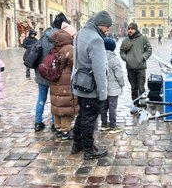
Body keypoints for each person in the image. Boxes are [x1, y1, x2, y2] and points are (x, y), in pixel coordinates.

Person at [71, 10, 112, 159]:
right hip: (91, 86)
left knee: (82, 115)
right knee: (89, 118)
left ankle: (77, 144)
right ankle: (89, 149)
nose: (108, 30)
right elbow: (99, 69)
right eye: (108, 27)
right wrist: (103, 93)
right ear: (102, 25)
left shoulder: (81, 33)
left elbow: (76, 61)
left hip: (80, 83)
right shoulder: (96, 39)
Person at [34, 12, 69, 132]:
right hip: (54, 73)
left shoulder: (44, 35)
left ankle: (38, 122)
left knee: (41, 98)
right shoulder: (60, 37)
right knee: (56, 99)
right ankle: (55, 123)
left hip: (41, 71)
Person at [120, 22, 152, 107]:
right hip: (130, 68)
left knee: (141, 87)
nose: (130, 30)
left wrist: (143, 57)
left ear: (136, 29)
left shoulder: (143, 38)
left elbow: (149, 50)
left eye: (132, 29)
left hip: (140, 67)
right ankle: (135, 103)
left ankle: (142, 102)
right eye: (129, 29)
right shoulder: (125, 41)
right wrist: (126, 58)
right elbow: (122, 52)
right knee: (133, 87)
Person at [100, 38, 125, 134]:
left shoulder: (99, 58)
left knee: (103, 107)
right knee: (112, 107)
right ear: (113, 48)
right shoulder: (114, 60)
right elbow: (119, 74)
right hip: (113, 88)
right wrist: (122, 83)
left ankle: (104, 124)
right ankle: (113, 126)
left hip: (102, 87)